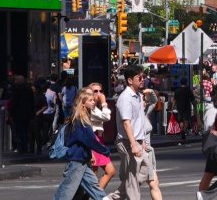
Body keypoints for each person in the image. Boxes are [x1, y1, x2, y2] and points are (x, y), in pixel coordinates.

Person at [52, 88, 109, 200]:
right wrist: (104, 150)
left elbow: (86, 142)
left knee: (93, 187)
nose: (93, 102)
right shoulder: (80, 120)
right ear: (83, 104)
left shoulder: (83, 119)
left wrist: (90, 154)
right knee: (66, 192)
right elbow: (89, 140)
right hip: (76, 160)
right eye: (90, 100)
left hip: (82, 159)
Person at [116, 65, 161, 200]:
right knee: (133, 180)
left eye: (143, 77)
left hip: (140, 143)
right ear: (130, 80)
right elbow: (126, 122)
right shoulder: (125, 98)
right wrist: (134, 143)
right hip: (129, 142)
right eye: (139, 77)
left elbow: (140, 121)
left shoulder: (139, 96)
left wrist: (142, 142)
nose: (142, 80)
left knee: (143, 174)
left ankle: (110, 198)